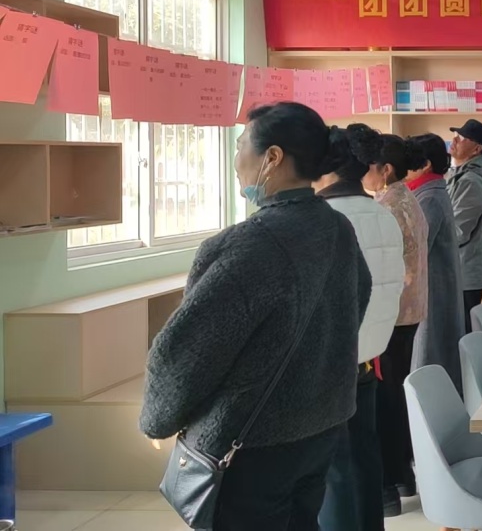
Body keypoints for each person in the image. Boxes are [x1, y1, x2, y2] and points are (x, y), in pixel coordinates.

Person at [141, 102, 371, 530]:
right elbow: (355, 304)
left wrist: (158, 418)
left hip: (251, 442)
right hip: (321, 423)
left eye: (241, 145)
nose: (236, 159)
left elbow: (188, 351)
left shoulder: (247, 245)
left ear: (273, 157)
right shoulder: (337, 227)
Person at [313, 126, 406, 531]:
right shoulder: (382, 214)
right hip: (368, 355)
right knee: (364, 457)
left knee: (334, 469)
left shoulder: (326, 219)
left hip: (331, 361)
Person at [350, 125, 429, 517]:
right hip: (407, 313)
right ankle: (402, 477)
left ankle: (390, 486)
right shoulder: (406, 198)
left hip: (391, 316)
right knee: (394, 395)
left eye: (368, 166)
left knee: (385, 401)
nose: (362, 173)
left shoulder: (386, 207)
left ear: (385, 169)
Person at [404, 133, 464, 388]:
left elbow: (416, 249)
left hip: (432, 287)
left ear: (425, 164)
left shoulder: (428, 197)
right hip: (436, 284)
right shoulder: (430, 192)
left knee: (431, 355)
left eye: (409, 162)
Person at [447, 119, 482, 333]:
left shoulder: (471, 181)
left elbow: (459, 231)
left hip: (464, 272)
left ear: (476, 149)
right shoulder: (459, 174)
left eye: (462, 138)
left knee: (463, 333)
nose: (454, 140)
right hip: (460, 269)